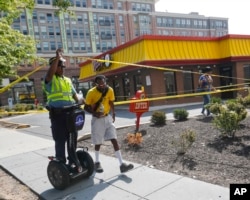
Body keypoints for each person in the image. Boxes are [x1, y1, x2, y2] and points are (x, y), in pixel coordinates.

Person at [84, 75, 134, 173]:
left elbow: (111, 102)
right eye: (100, 84)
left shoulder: (110, 90)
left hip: (107, 117)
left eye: (104, 83)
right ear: (96, 84)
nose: (103, 86)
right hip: (97, 119)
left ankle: (122, 165)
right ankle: (97, 162)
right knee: (98, 142)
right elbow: (86, 107)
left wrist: (113, 113)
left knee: (114, 139)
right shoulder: (91, 92)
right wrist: (95, 113)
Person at [43, 48, 84, 164]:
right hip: (58, 115)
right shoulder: (50, 79)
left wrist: (82, 101)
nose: (63, 68)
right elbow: (50, 74)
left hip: (71, 114)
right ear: (55, 67)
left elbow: (75, 95)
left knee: (72, 137)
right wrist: (57, 58)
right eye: (61, 66)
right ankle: (60, 160)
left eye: (63, 66)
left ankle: (72, 159)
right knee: (60, 139)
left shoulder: (67, 80)